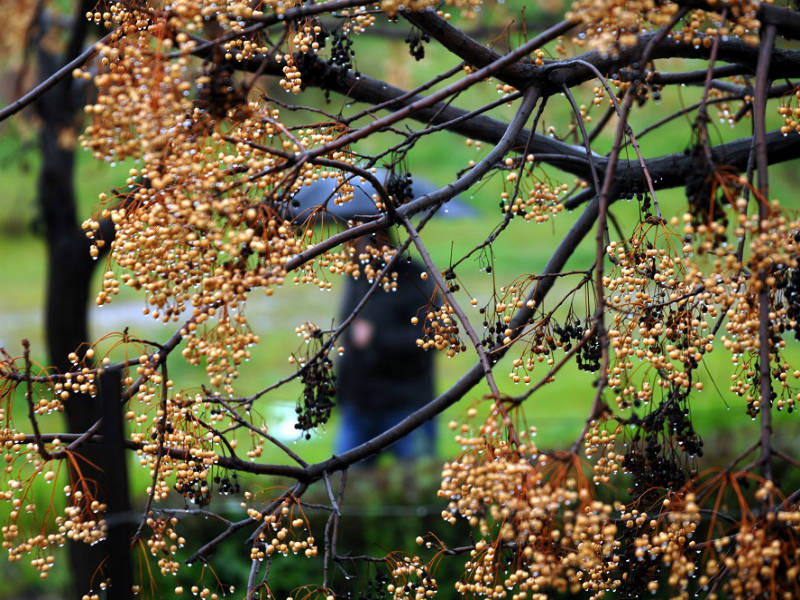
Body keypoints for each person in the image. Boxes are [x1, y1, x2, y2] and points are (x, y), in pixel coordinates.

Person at [334, 232, 438, 461]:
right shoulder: (357, 276)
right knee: (345, 483)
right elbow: (349, 332)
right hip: (359, 402)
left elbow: (428, 339)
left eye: (360, 236)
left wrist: (377, 336)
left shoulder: (413, 277)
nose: (353, 245)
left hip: (406, 404)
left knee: (416, 485)